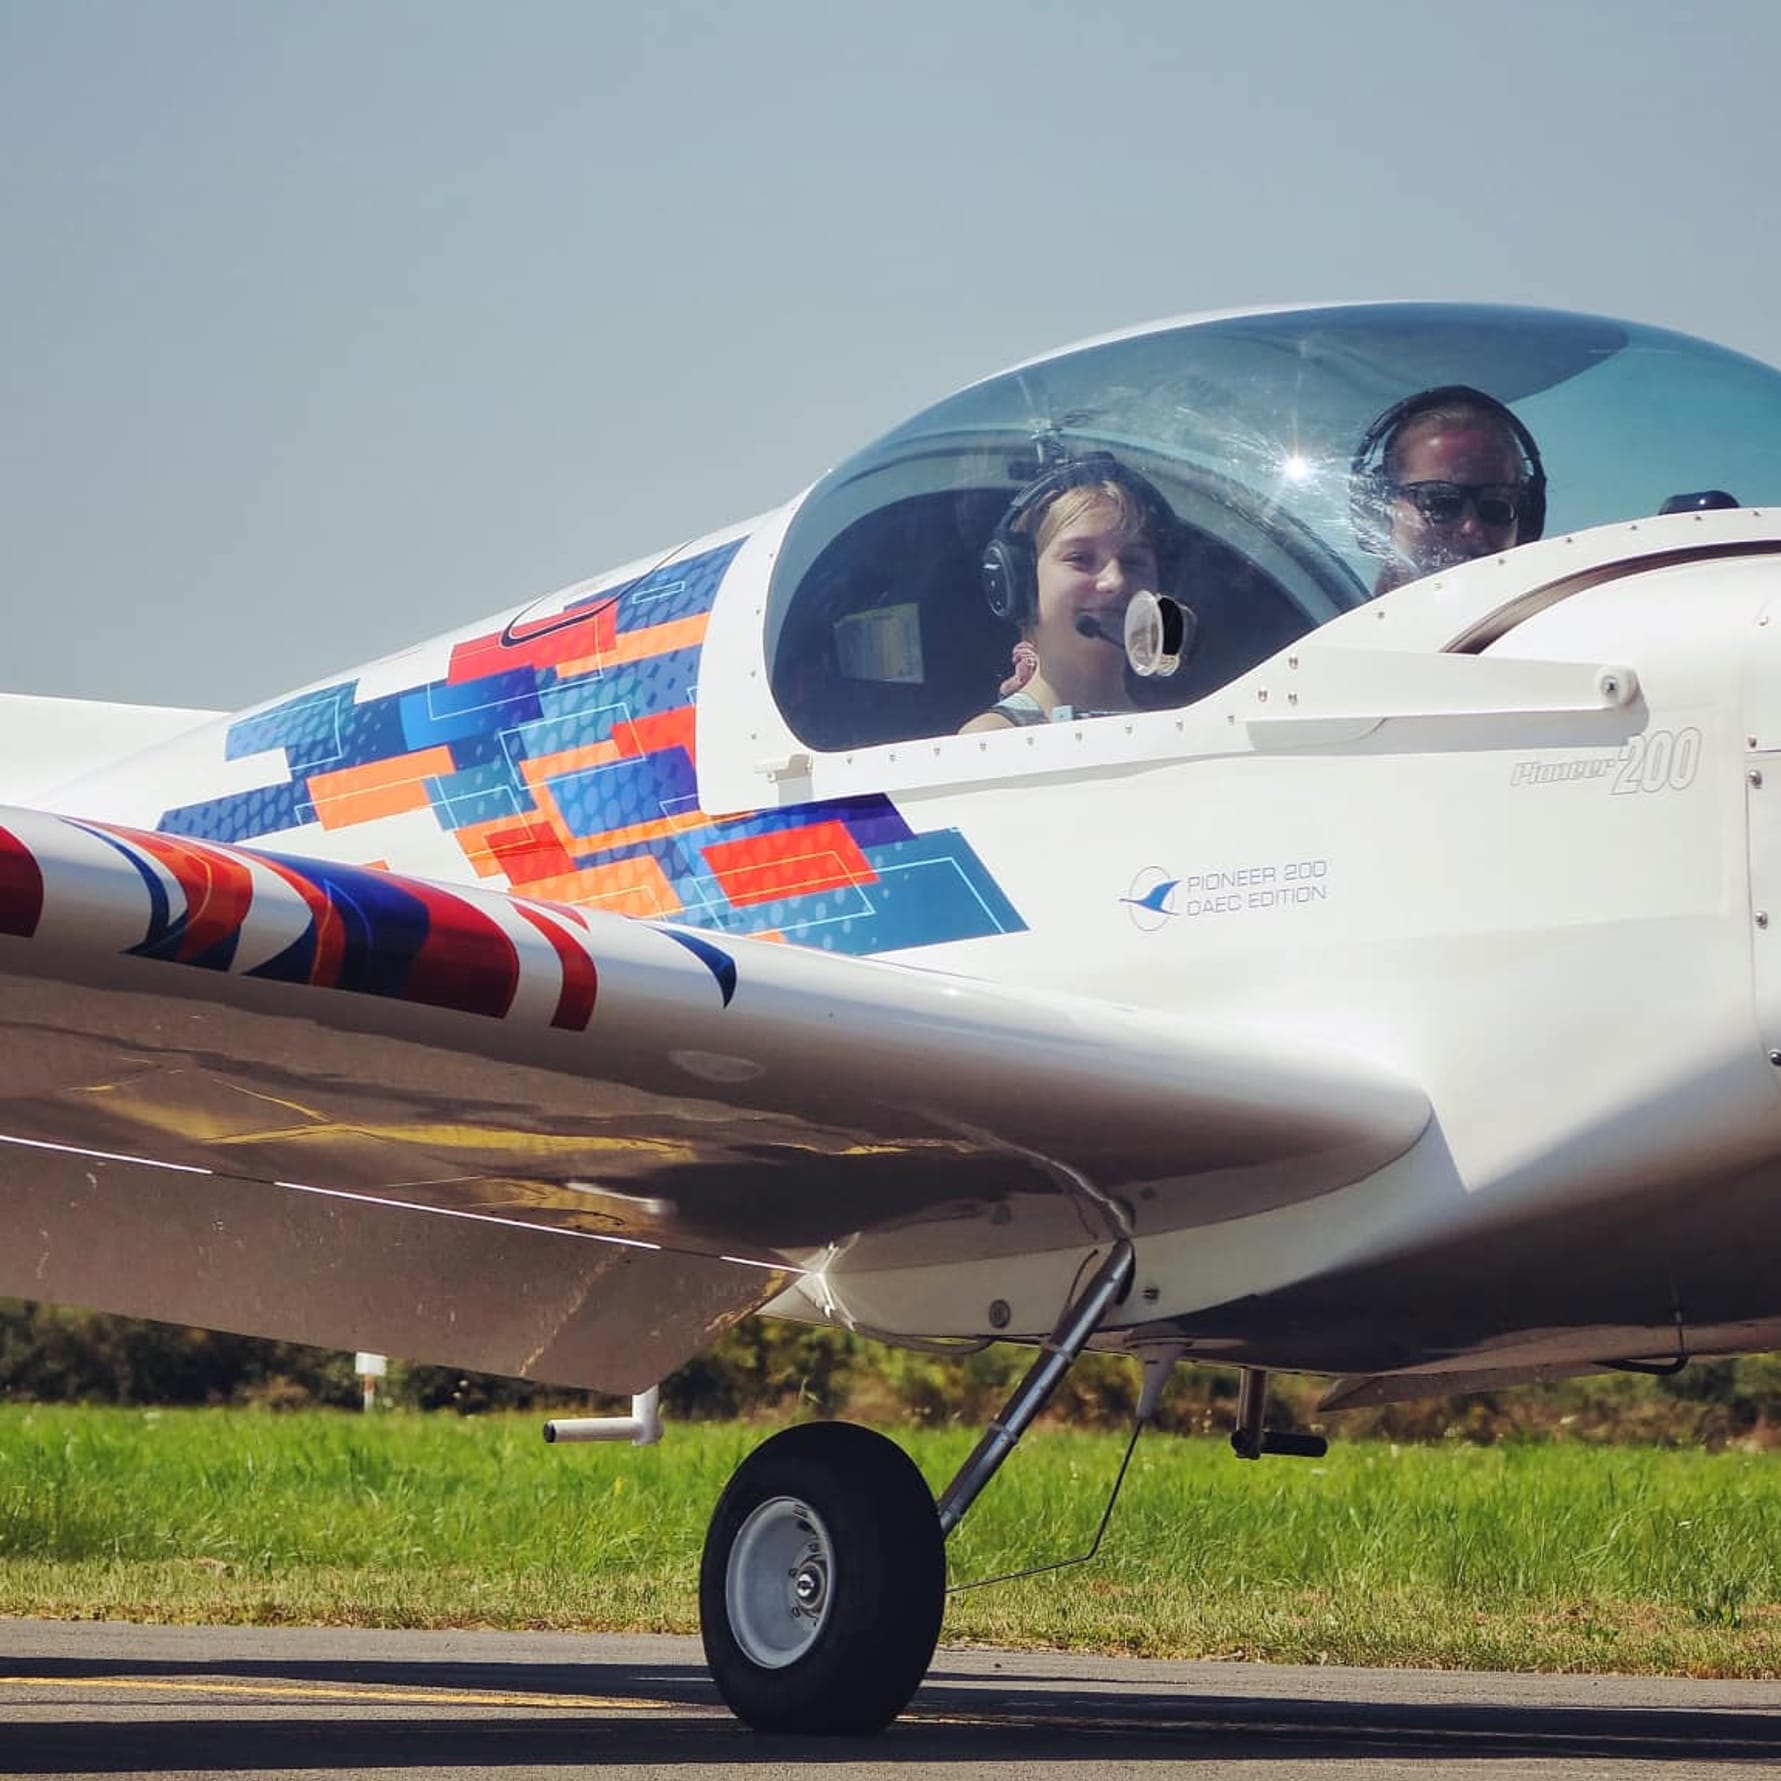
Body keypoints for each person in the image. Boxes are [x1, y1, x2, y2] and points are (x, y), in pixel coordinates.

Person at [962, 455, 1179, 732]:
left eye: (1133, 561)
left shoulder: (1175, 727)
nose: (1115, 581)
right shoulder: (991, 739)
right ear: (1022, 581)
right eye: (1080, 558)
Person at [1352, 386, 1547, 596]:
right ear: (1380, 512)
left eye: (1496, 507)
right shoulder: (1355, 629)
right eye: (1440, 503)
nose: (1471, 527)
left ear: (1526, 521)